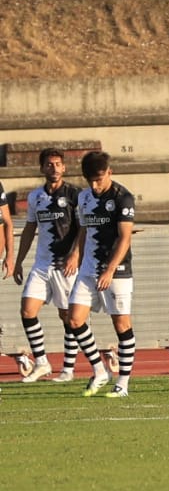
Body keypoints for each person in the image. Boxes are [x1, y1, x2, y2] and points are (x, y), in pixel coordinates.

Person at [66, 152, 135, 397]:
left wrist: (110, 269)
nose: (95, 186)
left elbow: (125, 237)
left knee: (122, 325)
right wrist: (76, 253)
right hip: (88, 269)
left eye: (99, 179)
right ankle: (100, 370)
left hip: (117, 270)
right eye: (90, 181)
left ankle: (123, 384)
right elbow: (84, 229)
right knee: (74, 319)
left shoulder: (122, 198)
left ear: (109, 173)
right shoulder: (84, 197)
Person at [14, 149, 84, 383]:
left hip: (66, 266)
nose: (54, 168)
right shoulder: (36, 197)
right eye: (49, 164)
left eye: (57, 164)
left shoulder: (75, 194)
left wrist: (75, 254)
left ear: (64, 168)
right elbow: (29, 229)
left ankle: (68, 369)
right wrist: (18, 261)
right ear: (42, 168)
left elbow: (84, 227)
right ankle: (42, 362)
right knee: (27, 310)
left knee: (67, 316)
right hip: (42, 264)